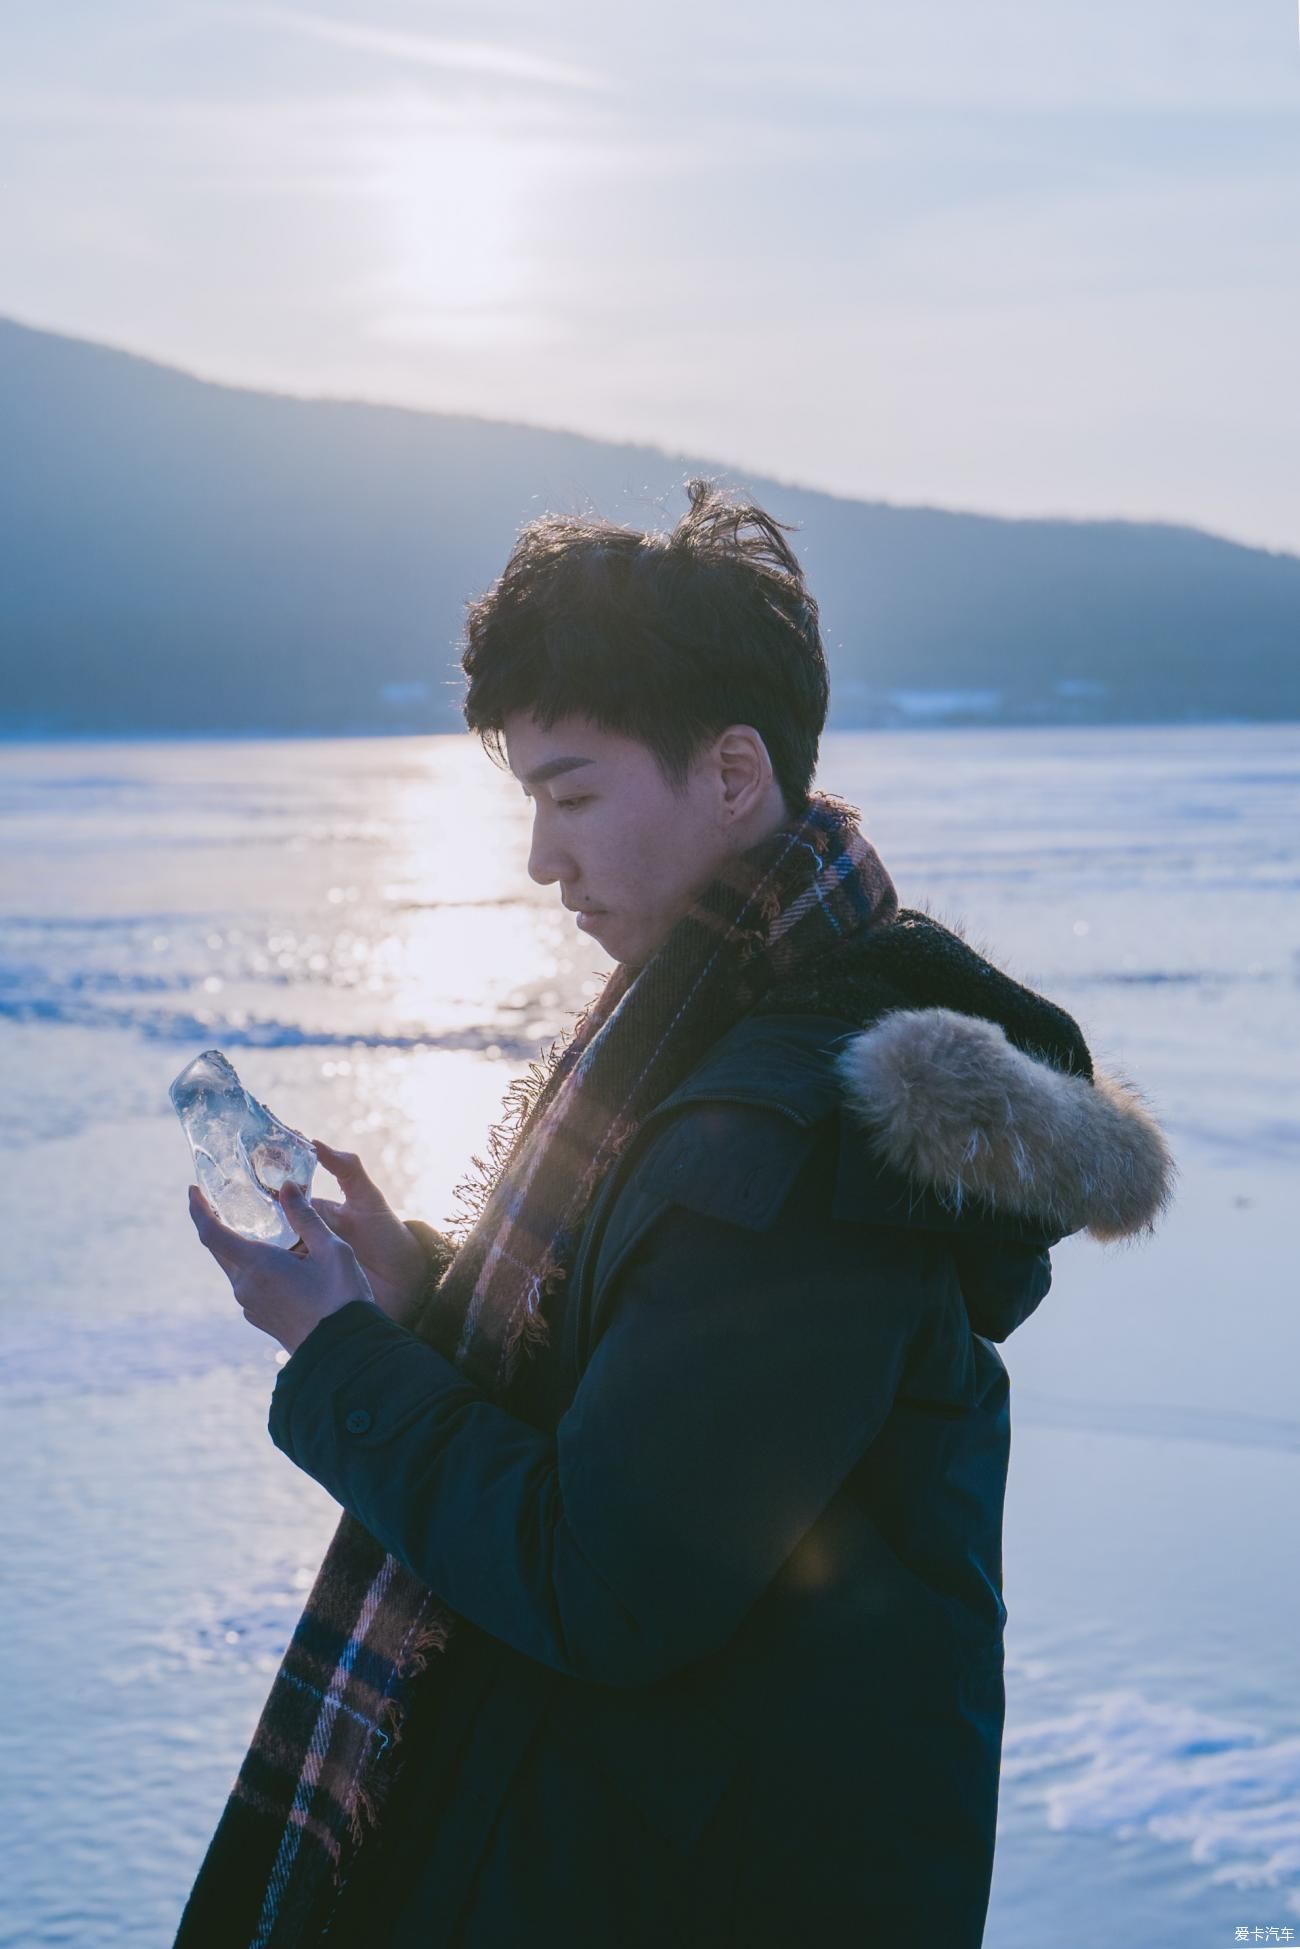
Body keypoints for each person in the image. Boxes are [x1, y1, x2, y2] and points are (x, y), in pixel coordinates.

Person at [174, 479, 1174, 1948]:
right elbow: (654, 1395)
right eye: (531, 801)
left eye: (572, 794)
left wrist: (343, 1364)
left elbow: (607, 1578)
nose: (542, 858)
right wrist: (419, 1303)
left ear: (729, 772)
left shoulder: (785, 1132)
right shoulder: (728, 1038)